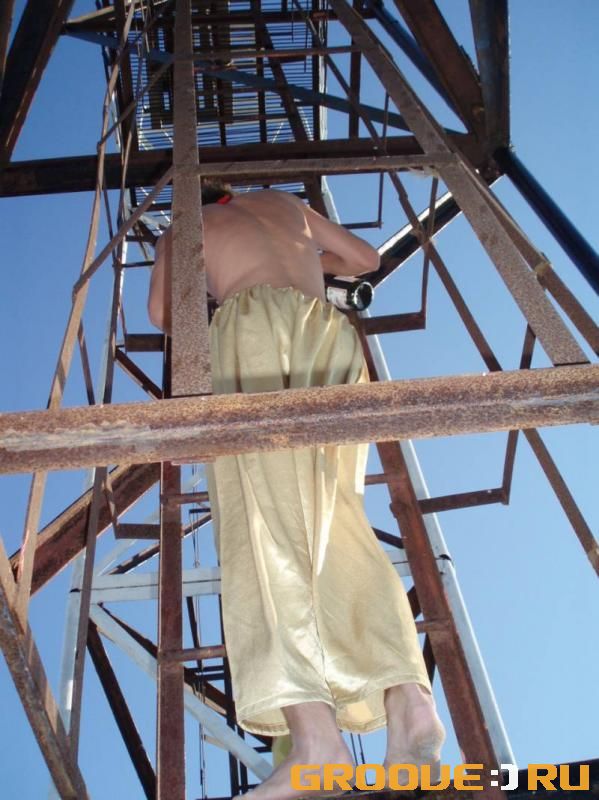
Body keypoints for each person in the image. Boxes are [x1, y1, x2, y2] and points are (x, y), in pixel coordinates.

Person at [148, 181, 445, 798]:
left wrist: (210, 281)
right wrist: (308, 263)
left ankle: (315, 743)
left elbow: (163, 314)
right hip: (327, 332)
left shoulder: (184, 227)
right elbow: (365, 259)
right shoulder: (285, 205)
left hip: (251, 328)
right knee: (338, 518)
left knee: (262, 528)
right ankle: (410, 702)